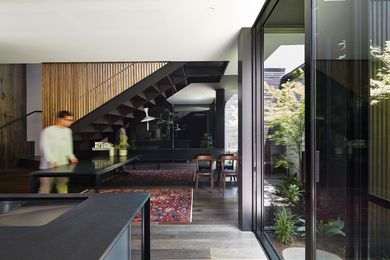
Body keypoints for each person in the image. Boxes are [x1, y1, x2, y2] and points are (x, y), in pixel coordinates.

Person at [39, 110, 78, 193]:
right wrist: (51, 160)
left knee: (63, 186)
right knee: (45, 187)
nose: (70, 122)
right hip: (48, 166)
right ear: (60, 119)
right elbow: (44, 146)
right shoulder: (48, 131)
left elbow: (69, 145)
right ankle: (40, 204)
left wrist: (72, 157)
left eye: (71, 120)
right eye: (68, 120)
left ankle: (64, 203)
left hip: (63, 165)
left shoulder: (68, 131)